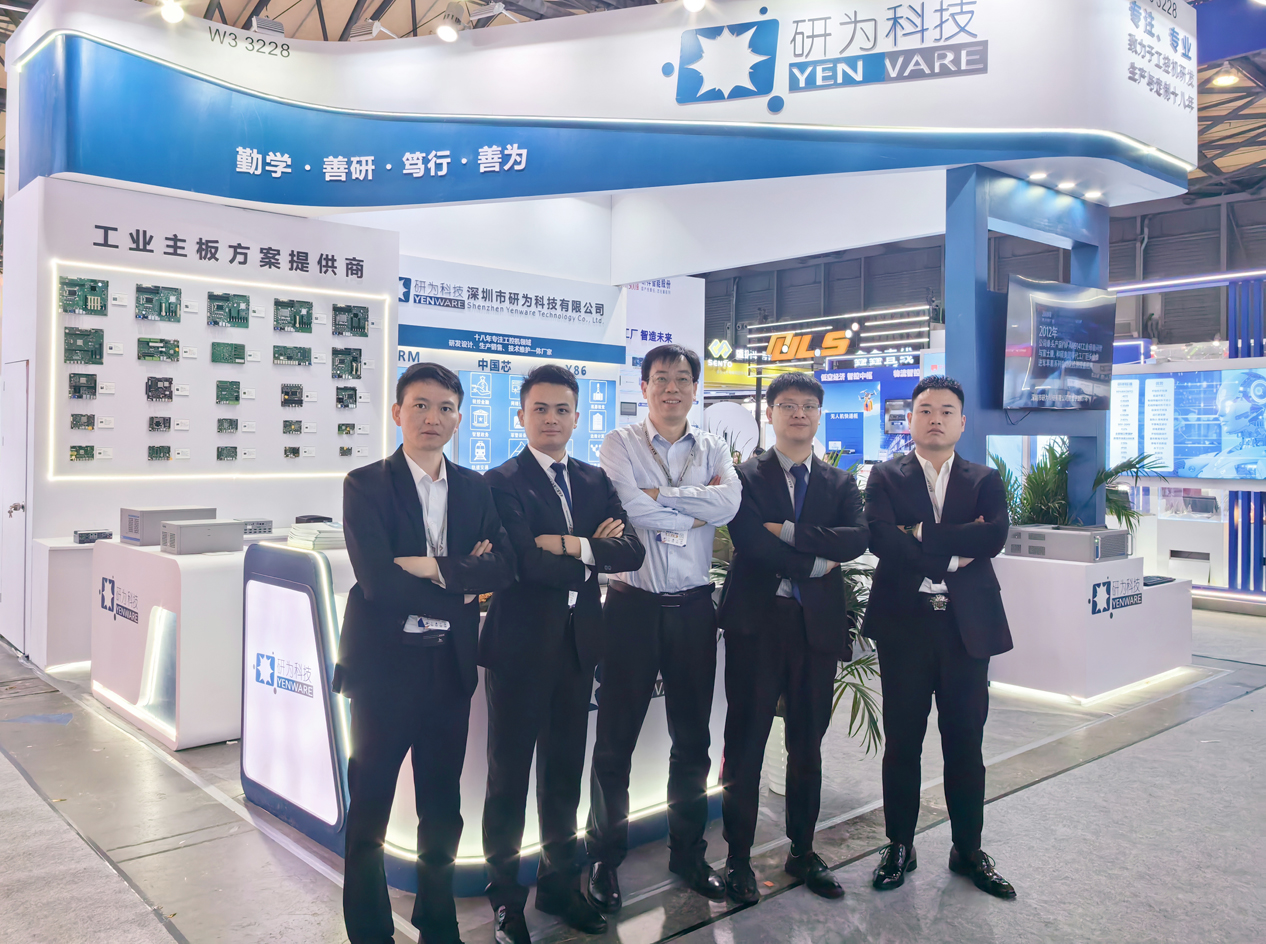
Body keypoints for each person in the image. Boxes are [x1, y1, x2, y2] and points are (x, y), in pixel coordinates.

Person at [336, 362, 516, 944]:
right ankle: (369, 931)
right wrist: (461, 583)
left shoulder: (475, 488)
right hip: (383, 673)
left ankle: (438, 922)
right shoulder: (365, 485)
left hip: (449, 668)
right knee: (370, 810)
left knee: (442, 810)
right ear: (398, 413)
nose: (432, 417)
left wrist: (432, 568)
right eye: (420, 405)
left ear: (458, 418)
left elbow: (503, 567)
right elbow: (377, 582)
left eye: (444, 408)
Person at [480, 365, 646, 944]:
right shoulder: (500, 481)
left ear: (577, 418)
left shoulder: (596, 479)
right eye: (540, 409)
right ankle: (506, 901)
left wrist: (569, 546)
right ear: (521, 416)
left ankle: (559, 885)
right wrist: (592, 553)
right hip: (518, 649)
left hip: (578, 648)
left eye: (561, 410)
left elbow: (632, 551)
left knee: (563, 774)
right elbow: (524, 563)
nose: (551, 419)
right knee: (507, 778)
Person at [585, 344, 742, 912]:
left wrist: (664, 497)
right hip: (632, 607)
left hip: (695, 609)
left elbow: (729, 505)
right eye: (660, 378)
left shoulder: (713, 446)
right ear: (645, 386)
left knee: (693, 740)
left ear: (694, 389)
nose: (671, 388)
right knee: (614, 741)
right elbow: (630, 510)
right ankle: (604, 859)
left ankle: (689, 853)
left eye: (681, 379)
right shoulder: (619, 443)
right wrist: (693, 507)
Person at [716, 372, 869, 904]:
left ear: (818, 414)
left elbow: (856, 539)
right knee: (745, 744)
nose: (798, 413)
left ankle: (802, 852)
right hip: (757, 625)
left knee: (808, 746)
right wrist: (817, 563)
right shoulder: (743, 476)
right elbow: (750, 543)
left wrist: (790, 534)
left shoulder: (840, 483)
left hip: (815, 629)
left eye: (807, 405)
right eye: (787, 405)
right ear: (771, 413)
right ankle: (737, 858)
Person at [863, 375, 1016, 900]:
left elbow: (994, 535)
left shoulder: (985, 478)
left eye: (946, 411)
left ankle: (968, 850)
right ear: (911, 419)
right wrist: (953, 553)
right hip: (904, 626)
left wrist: (921, 533)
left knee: (965, 743)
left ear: (962, 422)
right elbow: (881, 539)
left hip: (966, 627)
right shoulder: (885, 475)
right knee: (902, 742)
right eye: (925, 410)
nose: (935, 419)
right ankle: (899, 845)